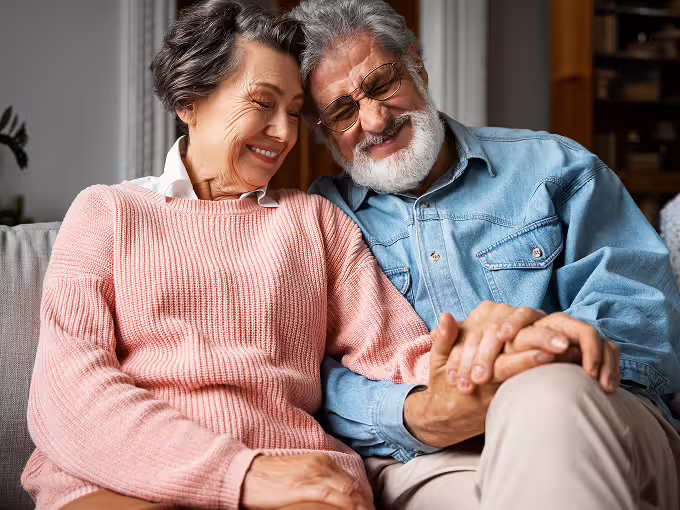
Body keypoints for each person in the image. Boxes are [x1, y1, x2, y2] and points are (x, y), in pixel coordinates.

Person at [21, 2, 445, 509]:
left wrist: (485, 361)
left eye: (292, 112)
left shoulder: (316, 223)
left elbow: (400, 352)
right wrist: (241, 474)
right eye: (262, 103)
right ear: (189, 100)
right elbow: (67, 394)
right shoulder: (107, 213)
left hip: (292, 473)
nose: (285, 135)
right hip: (118, 477)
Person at [289, 1, 680, 509]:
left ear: (416, 63)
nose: (375, 118)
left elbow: (643, 316)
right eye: (342, 112)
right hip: (426, 458)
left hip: (595, 411)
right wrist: (420, 413)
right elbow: (303, 377)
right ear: (323, 131)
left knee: (544, 398)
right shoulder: (316, 221)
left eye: (382, 83)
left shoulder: (556, 165)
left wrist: (547, 350)